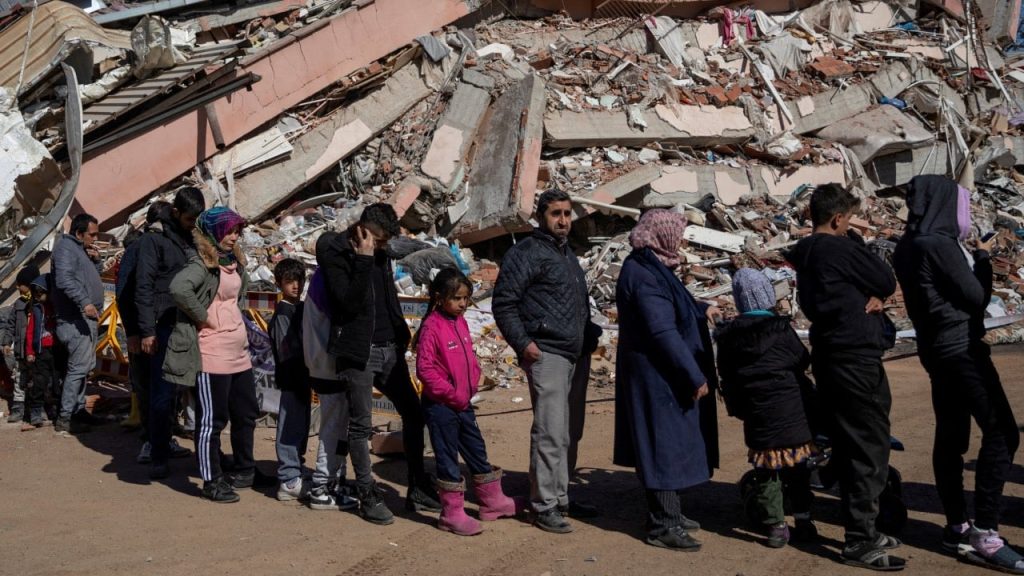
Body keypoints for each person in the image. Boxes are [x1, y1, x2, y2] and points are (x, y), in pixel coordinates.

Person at [893, 175, 1022, 573]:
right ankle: (985, 533)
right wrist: (982, 259)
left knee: (951, 436)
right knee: (1001, 433)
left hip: (936, 351)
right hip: (962, 350)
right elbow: (976, 298)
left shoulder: (908, 245)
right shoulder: (938, 244)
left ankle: (956, 525)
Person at [786, 183, 904, 571]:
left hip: (831, 355)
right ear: (838, 218)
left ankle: (864, 527)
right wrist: (857, 245)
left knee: (850, 440)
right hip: (855, 359)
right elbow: (885, 280)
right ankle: (860, 539)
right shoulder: (840, 247)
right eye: (849, 219)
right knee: (869, 446)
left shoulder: (804, 254)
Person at [315, 203, 440, 525]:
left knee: (413, 413)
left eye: (385, 242)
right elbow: (348, 304)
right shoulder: (335, 251)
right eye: (379, 240)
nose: (383, 246)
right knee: (360, 425)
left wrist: (401, 331)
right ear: (363, 230)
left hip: (389, 348)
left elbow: (387, 295)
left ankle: (418, 485)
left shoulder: (381, 252)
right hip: (358, 351)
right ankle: (367, 494)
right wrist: (363, 258)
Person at [492, 189, 603, 534]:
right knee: (550, 432)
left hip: (576, 353)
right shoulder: (526, 253)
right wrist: (525, 345)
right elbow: (504, 303)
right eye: (556, 214)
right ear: (541, 215)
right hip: (548, 354)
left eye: (568, 214)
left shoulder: (566, 253)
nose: (563, 221)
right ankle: (543, 504)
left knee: (570, 431)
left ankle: (561, 495)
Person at [613, 209, 719, 551]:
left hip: (661, 374)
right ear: (662, 235)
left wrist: (700, 309)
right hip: (656, 376)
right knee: (661, 446)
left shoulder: (655, 265)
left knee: (669, 443)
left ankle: (670, 514)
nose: (682, 240)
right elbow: (661, 330)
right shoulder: (643, 273)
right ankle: (663, 524)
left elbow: (673, 306)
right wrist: (692, 373)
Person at [715, 268, 816, 549]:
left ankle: (775, 527)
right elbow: (802, 359)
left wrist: (737, 407)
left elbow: (727, 376)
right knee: (798, 469)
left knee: (767, 472)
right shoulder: (782, 330)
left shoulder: (728, 336)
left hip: (758, 413)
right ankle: (805, 520)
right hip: (792, 411)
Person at [415, 268, 519, 536]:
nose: (463, 304)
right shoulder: (431, 327)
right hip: (441, 407)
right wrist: (453, 394)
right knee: (447, 458)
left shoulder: (459, 321)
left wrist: (473, 378)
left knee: (476, 448)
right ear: (439, 298)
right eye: (457, 298)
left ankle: (491, 502)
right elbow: (425, 371)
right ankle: (451, 514)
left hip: (463, 403)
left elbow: (468, 355)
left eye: (466, 298)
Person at [166, 207, 258, 502]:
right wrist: (204, 316)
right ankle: (211, 480)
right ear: (214, 232)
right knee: (212, 422)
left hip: (238, 354)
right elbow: (179, 289)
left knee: (245, 414)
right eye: (230, 231)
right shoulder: (202, 263)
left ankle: (245, 469)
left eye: (237, 231)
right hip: (212, 353)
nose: (234, 237)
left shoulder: (232, 261)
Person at [135, 188, 204, 478]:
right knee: (162, 394)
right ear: (176, 213)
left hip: (192, 326)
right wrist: (147, 331)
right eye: (189, 219)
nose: (193, 224)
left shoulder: (195, 238)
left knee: (201, 393)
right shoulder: (154, 241)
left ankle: (205, 457)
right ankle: (159, 454)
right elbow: (143, 286)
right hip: (164, 326)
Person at [117, 201, 190, 464]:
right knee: (149, 388)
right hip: (147, 331)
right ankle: (150, 441)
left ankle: (163, 437)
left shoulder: (177, 244)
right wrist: (135, 332)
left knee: (166, 389)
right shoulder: (141, 246)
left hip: (167, 328)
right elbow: (126, 292)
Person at [302, 267, 358, 511]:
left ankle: (336, 479)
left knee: (339, 428)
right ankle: (322, 486)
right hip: (329, 366)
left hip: (323, 365)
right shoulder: (329, 280)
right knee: (333, 428)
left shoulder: (321, 278)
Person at [52, 213, 104, 434]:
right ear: (78, 233)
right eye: (92, 235)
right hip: (74, 320)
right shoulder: (65, 248)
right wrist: (85, 302)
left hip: (84, 319)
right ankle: (65, 418)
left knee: (83, 369)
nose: (95, 238)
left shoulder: (78, 250)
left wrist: (96, 261)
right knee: (77, 370)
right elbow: (64, 279)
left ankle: (79, 410)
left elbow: (90, 276)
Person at [270, 258, 312, 501]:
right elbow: (287, 351)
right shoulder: (283, 313)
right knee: (289, 426)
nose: (295, 286)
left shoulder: (301, 308)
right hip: (291, 378)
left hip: (303, 378)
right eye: (289, 282)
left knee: (301, 426)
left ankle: (296, 469)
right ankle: (288, 479)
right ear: (279, 284)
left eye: (299, 280)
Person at [1, 265, 40, 424]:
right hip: (20, 351)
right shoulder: (18, 304)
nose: (17, 287)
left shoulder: (39, 304)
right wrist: (6, 342)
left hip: (37, 352)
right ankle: (18, 409)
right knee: (19, 380)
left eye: (20, 284)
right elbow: (10, 325)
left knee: (37, 380)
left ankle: (38, 410)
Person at [21, 274, 57, 429]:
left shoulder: (56, 307)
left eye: (40, 292)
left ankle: (54, 409)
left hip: (56, 350)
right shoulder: (35, 309)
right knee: (39, 382)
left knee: (56, 383)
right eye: (35, 292)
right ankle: (36, 411)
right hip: (41, 351)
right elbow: (30, 332)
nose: (37, 295)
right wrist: (30, 351)